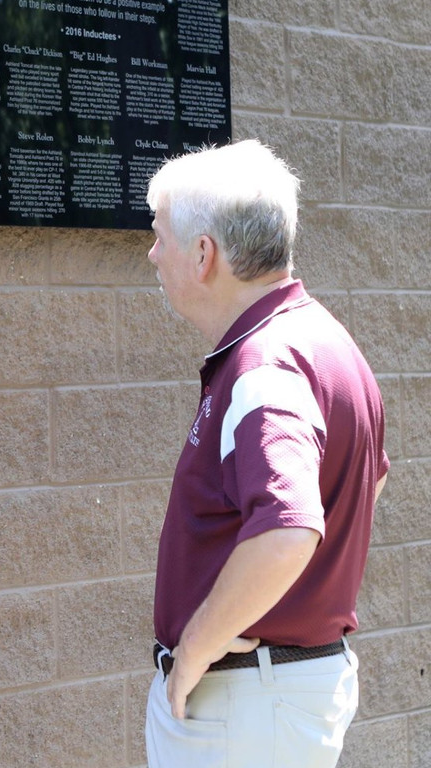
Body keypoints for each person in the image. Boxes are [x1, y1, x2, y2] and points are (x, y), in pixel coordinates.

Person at [144, 140, 389, 767]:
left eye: (160, 235)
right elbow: (366, 487)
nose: (152, 254)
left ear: (205, 255)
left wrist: (198, 647)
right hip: (269, 694)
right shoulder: (323, 340)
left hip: (245, 702)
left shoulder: (264, 363)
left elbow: (289, 529)